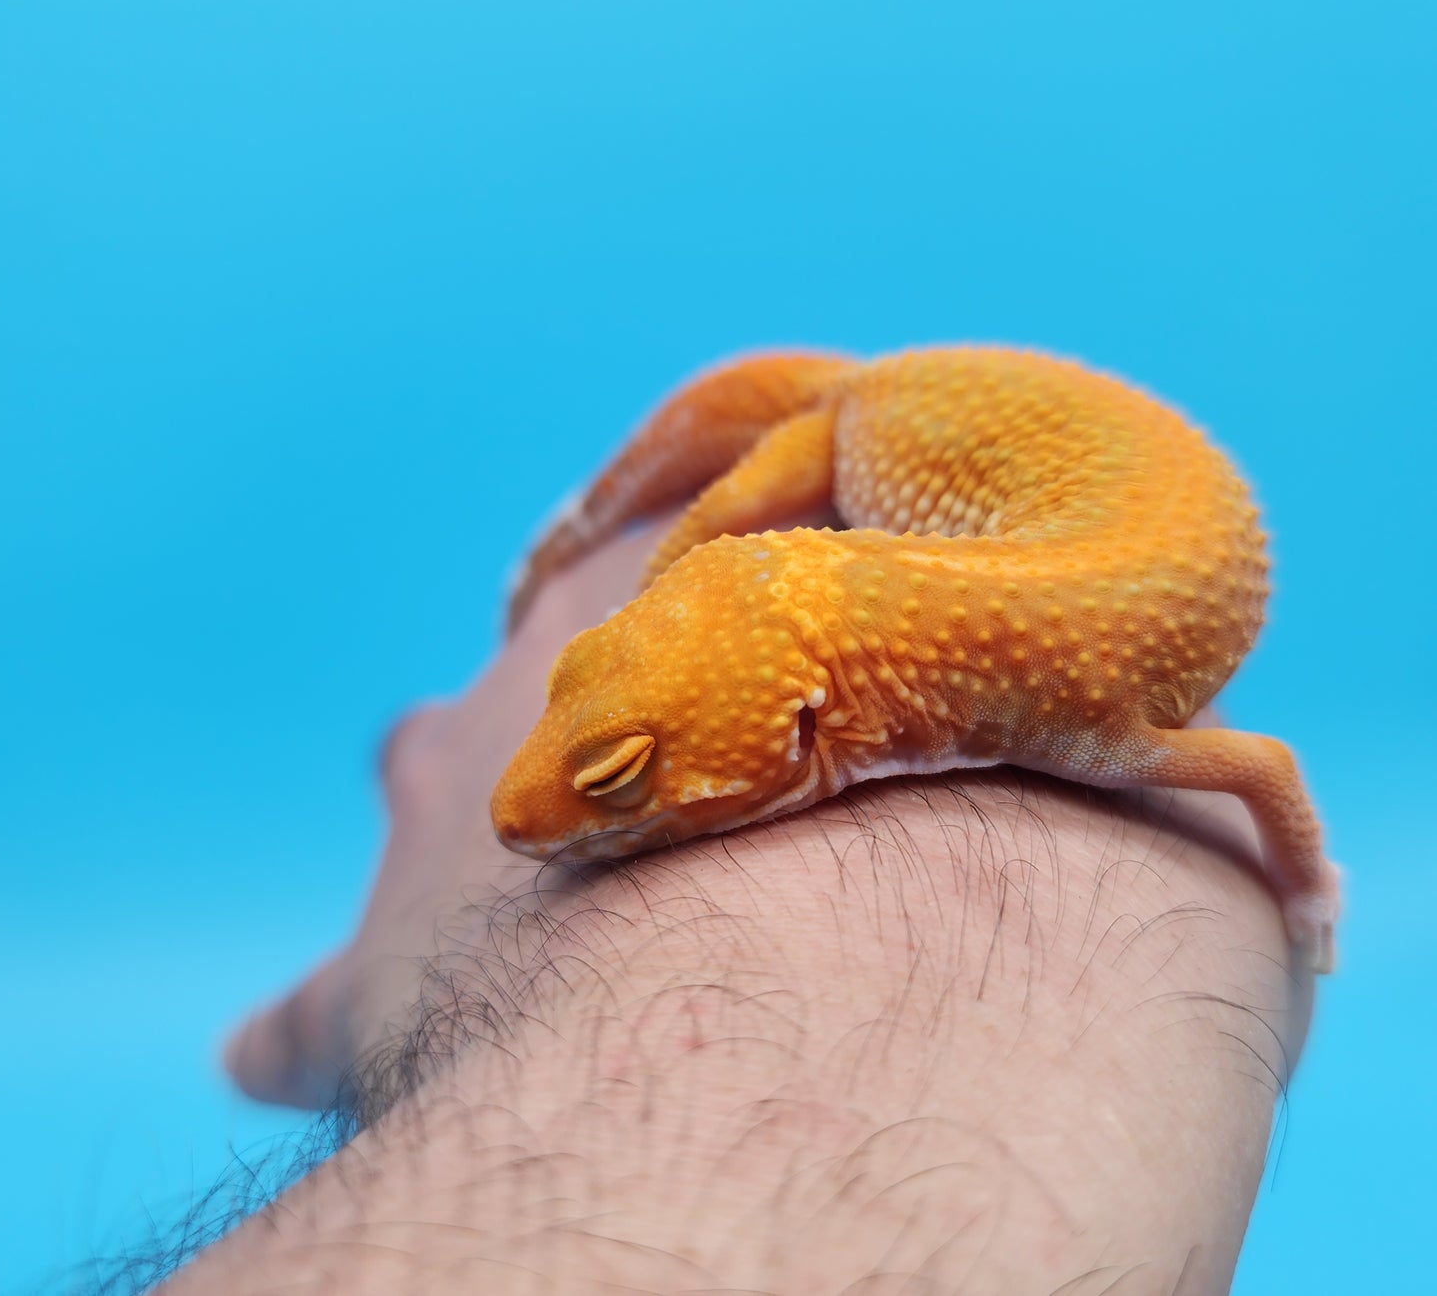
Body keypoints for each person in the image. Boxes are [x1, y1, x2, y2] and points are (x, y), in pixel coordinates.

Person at [171, 511, 1312, 1294]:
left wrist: (1309, 892)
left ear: (817, 720)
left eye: (615, 774)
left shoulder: (1050, 708)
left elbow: (1256, 767)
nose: (512, 821)